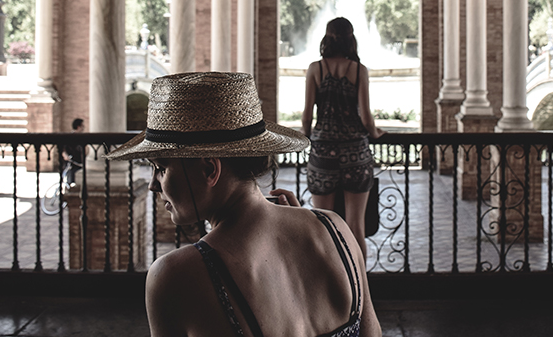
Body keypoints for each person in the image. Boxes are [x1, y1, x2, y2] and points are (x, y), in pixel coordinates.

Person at [107, 71, 381, 337]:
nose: (154, 184)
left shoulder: (175, 276)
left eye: (161, 168)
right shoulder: (336, 231)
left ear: (209, 170)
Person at [302, 17, 385, 261]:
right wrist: (376, 133)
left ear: (326, 37)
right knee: (355, 227)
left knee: (324, 226)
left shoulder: (315, 69)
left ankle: (330, 289)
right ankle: (360, 288)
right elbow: (367, 118)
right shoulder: (359, 71)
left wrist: (307, 137)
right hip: (355, 153)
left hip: (323, 152)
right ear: (351, 39)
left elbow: (306, 116)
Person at [61, 118, 86, 186]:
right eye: (82, 126)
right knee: (71, 181)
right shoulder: (70, 137)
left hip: (78, 162)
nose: (83, 128)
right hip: (72, 163)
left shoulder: (81, 137)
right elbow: (64, 149)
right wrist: (66, 156)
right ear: (78, 127)